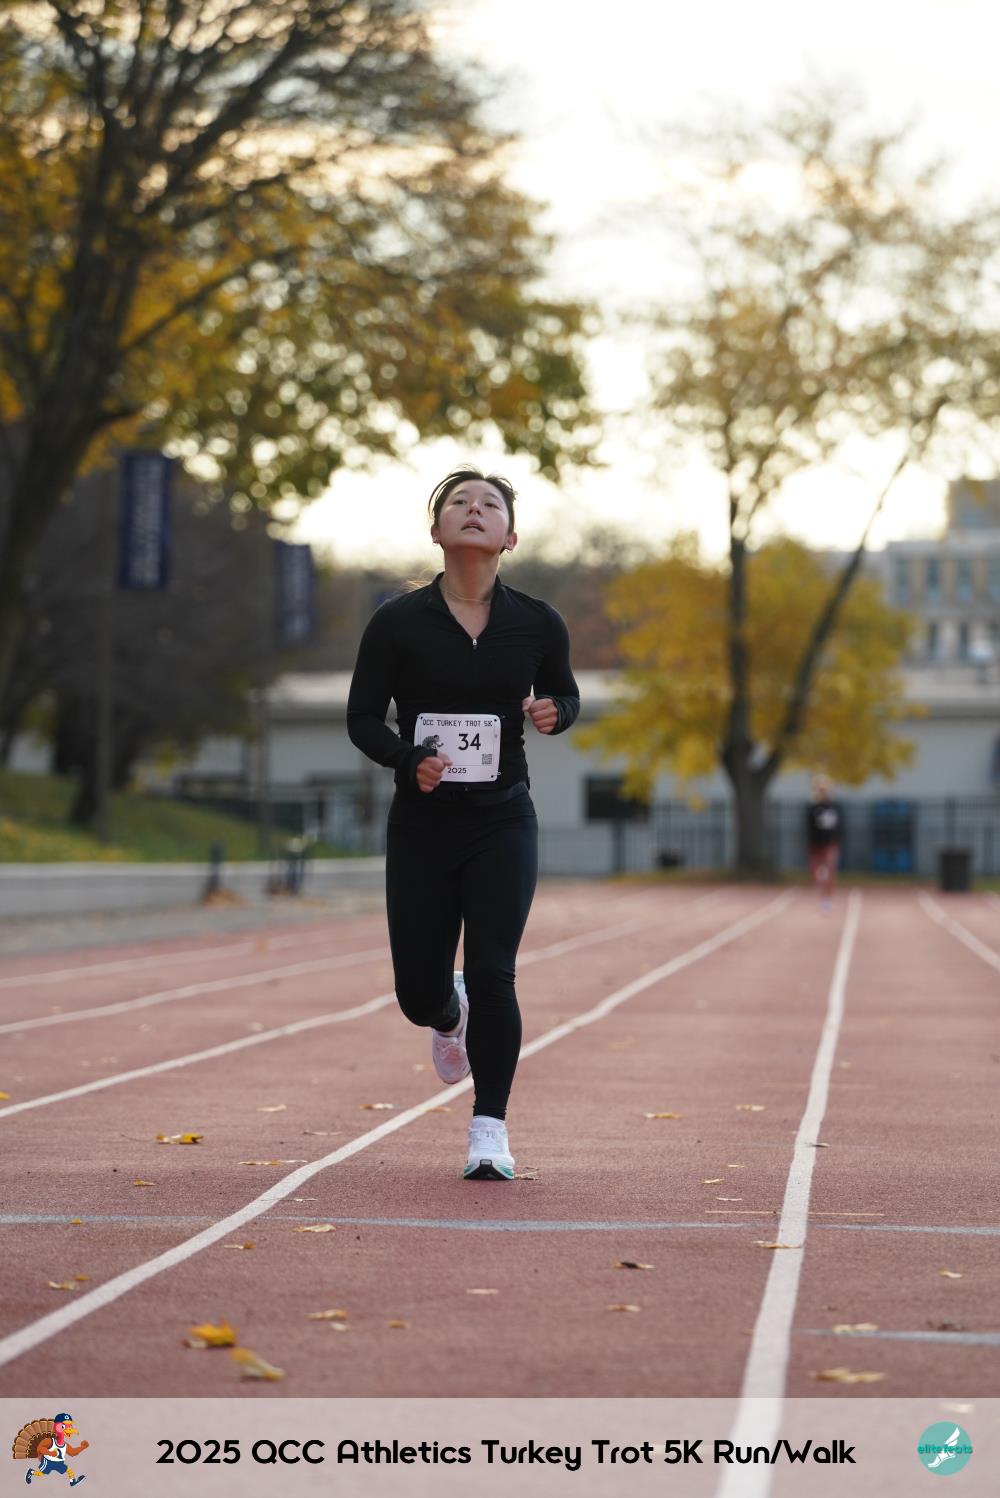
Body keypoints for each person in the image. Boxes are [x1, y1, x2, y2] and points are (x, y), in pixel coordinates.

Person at [347, 467, 580, 1179]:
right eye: (459, 502)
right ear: (437, 530)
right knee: (417, 994)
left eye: (490, 504)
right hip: (422, 825)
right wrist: (407, 758)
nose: (474, 510)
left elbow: (565, 692)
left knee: (495, 971)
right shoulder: (397, 622)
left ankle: (490, 1129)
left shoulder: (537, 622)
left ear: (510, 536)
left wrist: (556, 711)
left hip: (503, 819)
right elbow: (362, 717)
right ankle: (450, 1014)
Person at [805, 776, 843, 913]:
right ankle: (821, 889)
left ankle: (827, 899)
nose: (823, 793)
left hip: (830, 844)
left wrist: (837, 842)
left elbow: (839, 827)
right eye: (821, 790)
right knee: (815, 875)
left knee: (830, 870)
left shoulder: (835, 808)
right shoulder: (813, 809)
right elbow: (809, 828)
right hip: (815, 844)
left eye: (825, 790)